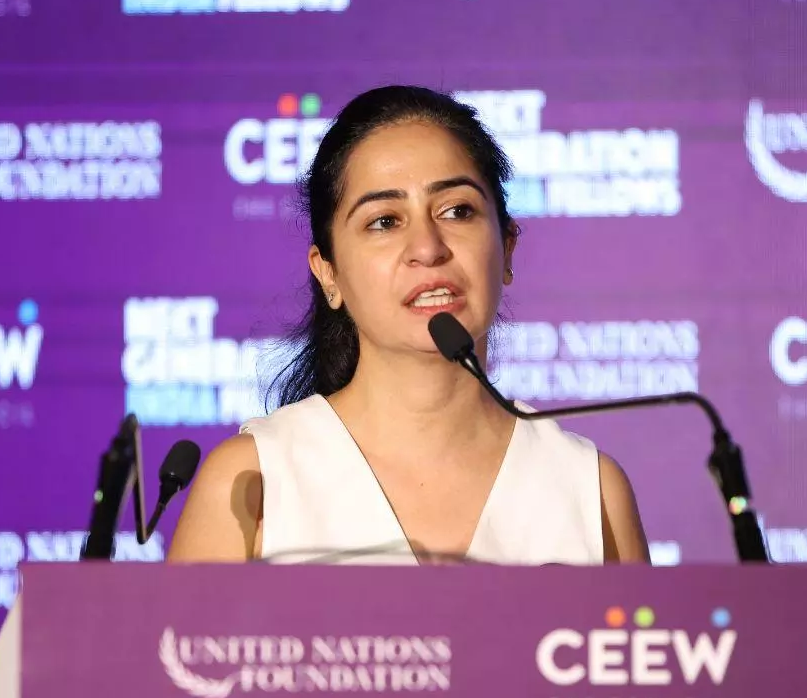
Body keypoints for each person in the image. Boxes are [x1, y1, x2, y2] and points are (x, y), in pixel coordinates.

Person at [166, 85, 649, 566]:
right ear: (328, 273)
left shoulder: (588, 488)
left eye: (457, 211)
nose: (427, 248)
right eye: (384, 221)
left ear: (507, 247)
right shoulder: (252, 482)